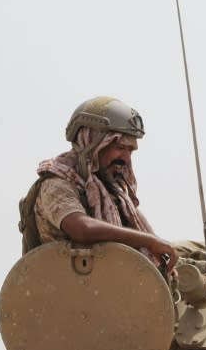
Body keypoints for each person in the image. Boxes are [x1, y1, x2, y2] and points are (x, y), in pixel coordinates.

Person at [29, 96, 177, 272]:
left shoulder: (112, 193)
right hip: (68, 292)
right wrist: (150, 242)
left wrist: (158, 249)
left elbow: (146, 234)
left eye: (130, 150)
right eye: (120, 148)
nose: (126, 159)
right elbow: (82, 229)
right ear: (91, 142)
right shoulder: (57, 184)